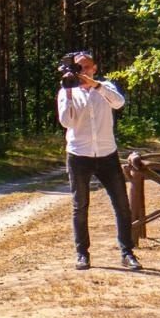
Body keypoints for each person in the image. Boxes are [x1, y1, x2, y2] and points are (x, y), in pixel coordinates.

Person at [57, 50, 141, 271]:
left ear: (94, 68)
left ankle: (127, 253)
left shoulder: (106, 87)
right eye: (78, 67)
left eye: (86, 67)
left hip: (106, 154)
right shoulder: (67, 91)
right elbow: (66, 122)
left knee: (122, 204)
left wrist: (95, 85)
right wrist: (67, 92)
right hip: (78, 155)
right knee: (80, 205)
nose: (82, 71)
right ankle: (82, 254)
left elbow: (119, 103)